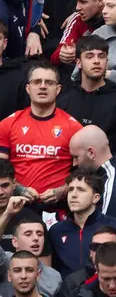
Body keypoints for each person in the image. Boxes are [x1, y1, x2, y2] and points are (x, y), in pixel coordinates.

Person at [0, 62, 83, 208]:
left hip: (59, 207)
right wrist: (18, 188)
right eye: (37, 82)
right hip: (16, 204)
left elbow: (83, 174)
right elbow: (0, 170)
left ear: (58, 89)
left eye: (49, 82)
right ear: (28, 88)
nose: (43, 86)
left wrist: (63, 191)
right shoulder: (7, 124)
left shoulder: (74, 128)